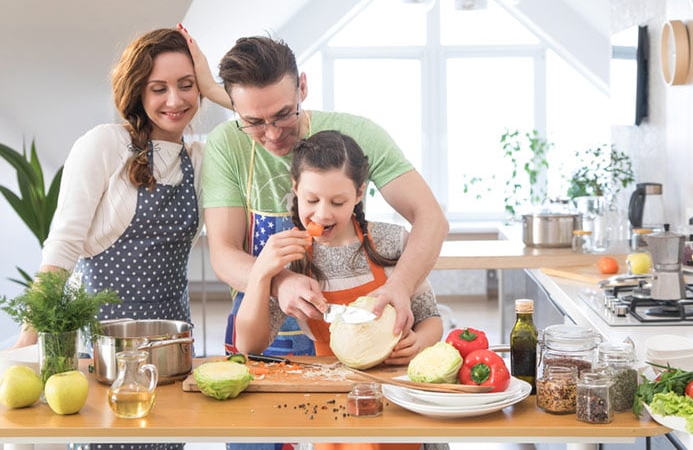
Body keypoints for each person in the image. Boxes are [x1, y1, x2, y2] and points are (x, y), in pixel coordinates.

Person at [177, 25, 449, 358]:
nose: (273, 134)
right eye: (254, 122)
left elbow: (431, 218)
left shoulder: (359, 135)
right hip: (263, 323)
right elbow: (223, 253)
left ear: (302, 87)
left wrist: (399, 286)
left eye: (283, 115)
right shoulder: (227, 143)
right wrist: (277, 282)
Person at [11, 27, 203, 450]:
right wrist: (26, 343)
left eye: (187, 85)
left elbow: (260, 130)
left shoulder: (201, 157)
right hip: (106, 358)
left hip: (172, 357)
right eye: (159, 88)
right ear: (138, 91)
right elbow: (62, 248)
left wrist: (212, 83)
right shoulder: (104, 145)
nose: (175, 100)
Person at [235, 130, 443, 363]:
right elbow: (248, 344)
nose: (323, 215)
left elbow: (431, 318)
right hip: (328, 379)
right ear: (295, 188)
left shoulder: (391, 241)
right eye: (312, 200)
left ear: (358, 194)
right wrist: (260, 274)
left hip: (393, 380)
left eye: (337, 202)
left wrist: (419, 342)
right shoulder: (290, 255)